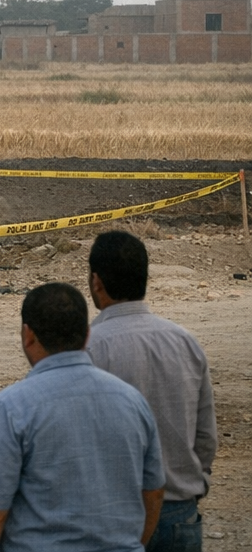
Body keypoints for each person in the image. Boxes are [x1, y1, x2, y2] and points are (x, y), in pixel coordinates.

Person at [0, 282, 164, 552]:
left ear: (28, 336)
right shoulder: (132, 400)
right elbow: (153, 492)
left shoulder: (9, 408)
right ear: (87, 335)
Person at [87, 231, 217, 552]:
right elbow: (205, 438)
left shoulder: (86, 349)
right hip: (179, 515)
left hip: (113, 518)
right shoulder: (185, 342)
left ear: (96, 282)